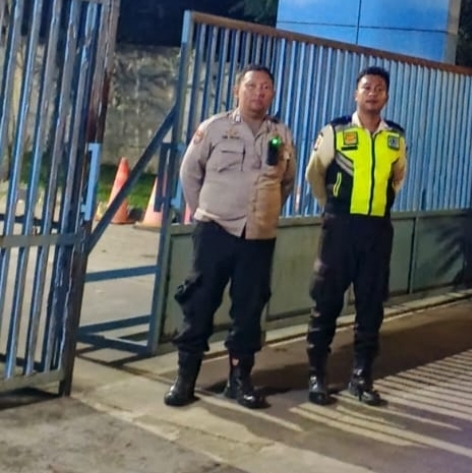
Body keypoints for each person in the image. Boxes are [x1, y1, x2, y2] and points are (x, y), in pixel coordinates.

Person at [164, 64, 296, 409]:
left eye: (266, 87)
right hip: (215, 231)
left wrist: (264, 213)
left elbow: (286, 182)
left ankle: (240, 380)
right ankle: (185, 378)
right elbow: (189, 173)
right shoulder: (215, 127)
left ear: (273, 93)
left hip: (258, 237)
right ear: (238, 90)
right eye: (251, 86)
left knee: (249, 310)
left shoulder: (281, 133)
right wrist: (204, 213)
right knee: (199, 303)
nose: (259, 93)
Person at [304, 65, 407, 406]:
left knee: (371, 306)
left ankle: (361, 377)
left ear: (386, 96)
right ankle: (317, 375)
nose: (372, 93)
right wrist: (332, 207)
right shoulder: (336, 131)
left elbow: (397, 178)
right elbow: (315, 173)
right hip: (340, 229)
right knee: (326, 302)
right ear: (356, 93)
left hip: (377, 230)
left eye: (379, 88)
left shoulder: (395, 137)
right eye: (367, 87)